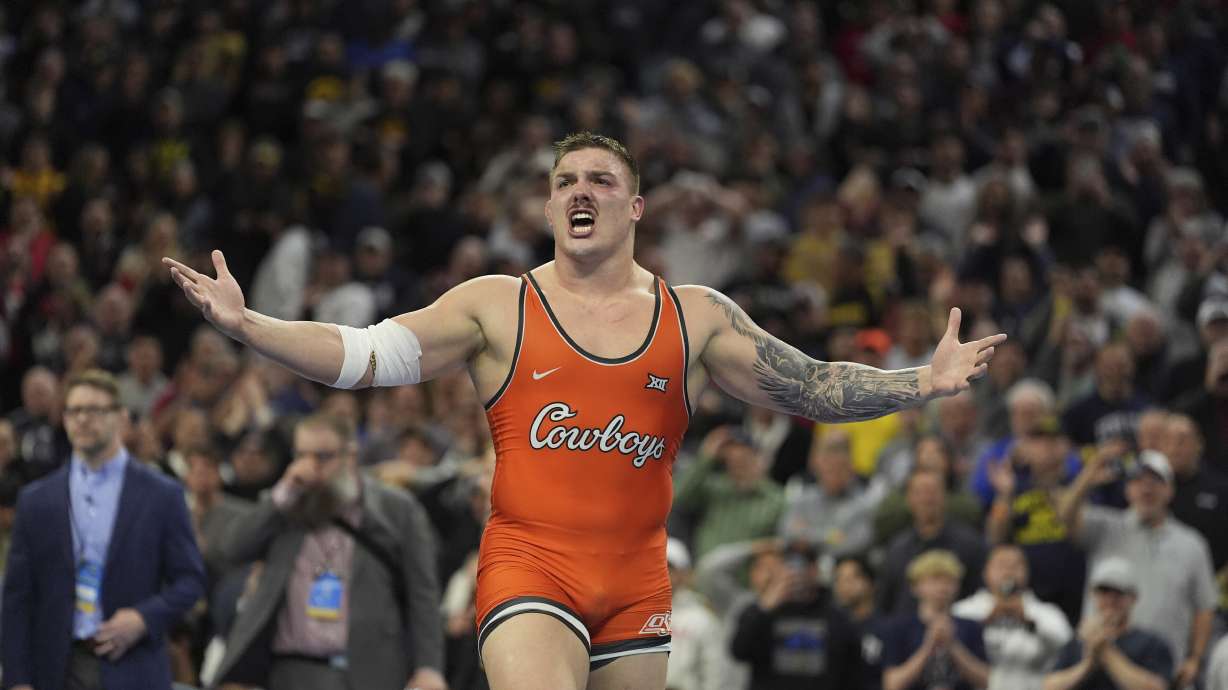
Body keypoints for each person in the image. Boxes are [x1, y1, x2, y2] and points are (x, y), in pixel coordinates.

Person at [164, 131, 1006, 690]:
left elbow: (812, 386)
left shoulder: (696, 315)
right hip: (531, 570)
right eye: (565, 181)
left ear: (634, 208)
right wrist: (251, 326)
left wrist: (916, 385)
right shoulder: (495, 306)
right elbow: (365, 356)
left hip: (638, 584)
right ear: (548, 208)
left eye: (601, 180)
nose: (581, 190)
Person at [207, 413, 446, 690]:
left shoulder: (397, 510)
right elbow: (229, 550)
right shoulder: (285, 504)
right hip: (288, 671)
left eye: (321, 457)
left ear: (351, 455)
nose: (309, 468)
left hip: (369, 671)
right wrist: (281, 496)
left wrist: (429, 668)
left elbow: (423, 595)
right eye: (301, 455)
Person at [1, 369, 206, 690]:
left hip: (132, 663)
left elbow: (191, 580)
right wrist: (17, 680)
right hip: (55, 668)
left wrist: (144, 618)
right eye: (74, 410)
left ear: (121, 417)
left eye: (95, 410)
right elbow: (16, 597)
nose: (82, 419)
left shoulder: (162, 494)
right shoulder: (35, 500)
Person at [1057, 449, 1216, 688]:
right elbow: (1064, 515)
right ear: (1127, 490)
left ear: (1170, 490)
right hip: (1100, 667)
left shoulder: (1191, 543)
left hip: (1162, 669)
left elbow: (1204, 608)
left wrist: (1195, 659)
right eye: (1138, 481)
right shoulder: (1105, 527)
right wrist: (1090, 473)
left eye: (1155, 482)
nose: (1146, 489)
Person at [729, 539, 861, 690]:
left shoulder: (836, 616)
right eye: (788, 567)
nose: (795, 575)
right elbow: (738, 651)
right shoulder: (763, 611)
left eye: (801, 566)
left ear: (814, 570)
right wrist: (764, 608)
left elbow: (852, 672)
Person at [951, 544, 1072, 690]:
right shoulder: (964, 610)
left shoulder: (1046, 612)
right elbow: (952, 645)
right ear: (986, 572)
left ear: (1027, 573)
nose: (1008, 571)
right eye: (1001, 565)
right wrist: (986, 621)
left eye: (1015, 566)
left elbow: (1066, 646)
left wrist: (1028, 621)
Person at [1044, 558, 1171, 690]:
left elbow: (1156, 687)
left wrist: (1105, 650)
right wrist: (1087, 665)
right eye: (1104, 592)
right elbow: (1049, 686)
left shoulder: (1152, 643)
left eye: (1118, 593)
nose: (1110, 600)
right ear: (1093, 595)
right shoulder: (1078, 642)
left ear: (1133, 597)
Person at [878, 468, 988, 614]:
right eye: (919, 492)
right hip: (906, 631)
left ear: (945, 496)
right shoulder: (897, 549)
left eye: (932, 491)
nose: (926, 499)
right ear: (908, 499)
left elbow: (981, 597)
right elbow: (886, 603)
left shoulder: (970, 544)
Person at [882, 549, 990, 690]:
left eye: (949, 581)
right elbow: (892, 684)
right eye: (934, 580)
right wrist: (928, 646)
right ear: (916, 586)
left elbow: (986, 681)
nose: (942, 587)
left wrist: (952, 645)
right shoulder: (899, 627)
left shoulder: (971, 626)